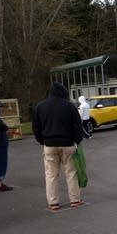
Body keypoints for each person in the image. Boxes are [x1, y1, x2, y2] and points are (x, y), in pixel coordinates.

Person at [32, 82, 85, 211]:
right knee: (71, 173)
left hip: (49, 144)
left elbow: (36, 128)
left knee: (51, 174)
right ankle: (75, 200)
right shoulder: (70, 106)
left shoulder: (40, 107)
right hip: (68, 144)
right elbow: (78, 126)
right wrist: (76, 141)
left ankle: (53, 202)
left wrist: (42, 141)